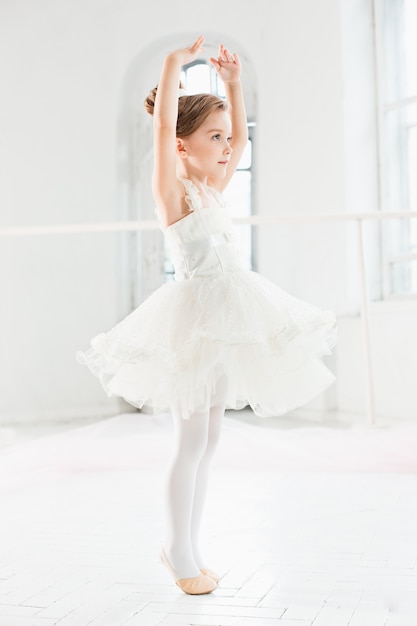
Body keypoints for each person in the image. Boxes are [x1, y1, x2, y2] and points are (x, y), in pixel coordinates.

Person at [77, 35, 337, 596]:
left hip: (227, 317)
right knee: (191, 441)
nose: (226, 148)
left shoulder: (214, 186)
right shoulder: (173, 191)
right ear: (180, 145)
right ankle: (176, 549)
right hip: (194, 320)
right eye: (212, 138)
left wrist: (234, 86)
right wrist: (175, 64)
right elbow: (162, 124)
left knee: (211, 439)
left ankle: (188, 546)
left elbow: (243, 136)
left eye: (224, 139)